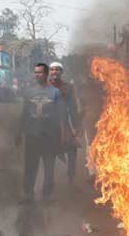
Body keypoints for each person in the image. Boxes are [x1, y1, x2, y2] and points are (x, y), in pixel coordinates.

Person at [16, 63, 64, 203]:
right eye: (36, 72)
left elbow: (61, 115)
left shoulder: (55, 93)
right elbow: (24, 114)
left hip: (49, 136)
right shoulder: (29, 92)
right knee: (30, 167)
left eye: (40, 72)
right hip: (32, 136)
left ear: (47, 73)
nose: (37, 75)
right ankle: (28, 195)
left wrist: (63, 134)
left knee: (49, 168)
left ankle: (47, 195)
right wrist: (19, 133)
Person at [49, 62, 81, 185]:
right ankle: (49, 181)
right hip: (47, 125)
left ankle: (71, 179)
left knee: (73, 149)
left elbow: (72, 108)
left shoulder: (68, 87)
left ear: (61, 72)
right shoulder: (44, 87)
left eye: (57, 70)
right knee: (48, 153)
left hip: (63, 123)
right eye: (52, 70)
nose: (54, 72)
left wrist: (76, 125)